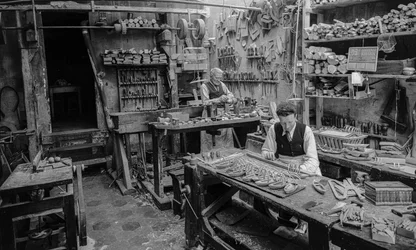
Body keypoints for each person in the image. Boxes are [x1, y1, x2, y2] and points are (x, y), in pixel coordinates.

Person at [261, 101, 321, 176]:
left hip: (303, 166)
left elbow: (313, 160)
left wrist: (301, 169)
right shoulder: (273, 129)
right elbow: (265, 151)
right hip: (282, 166)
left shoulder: (306, 130)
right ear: (279, 119)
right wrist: (267, 154)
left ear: (295, 117)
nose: (287, 127)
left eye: (290, 122)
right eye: (283, 123)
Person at [200, 68, 235, 152]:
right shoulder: (204, 86)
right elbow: (205, 102)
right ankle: (209, 155)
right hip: (210, 113)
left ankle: (226, 154)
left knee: (225, 134)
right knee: (210, 137)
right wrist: (219, 99)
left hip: (222, 113)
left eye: (220, 77)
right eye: (217, 78)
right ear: (211, 76)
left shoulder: (222, 84)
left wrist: (228, 98)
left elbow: (230, 94)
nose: (219, 80)